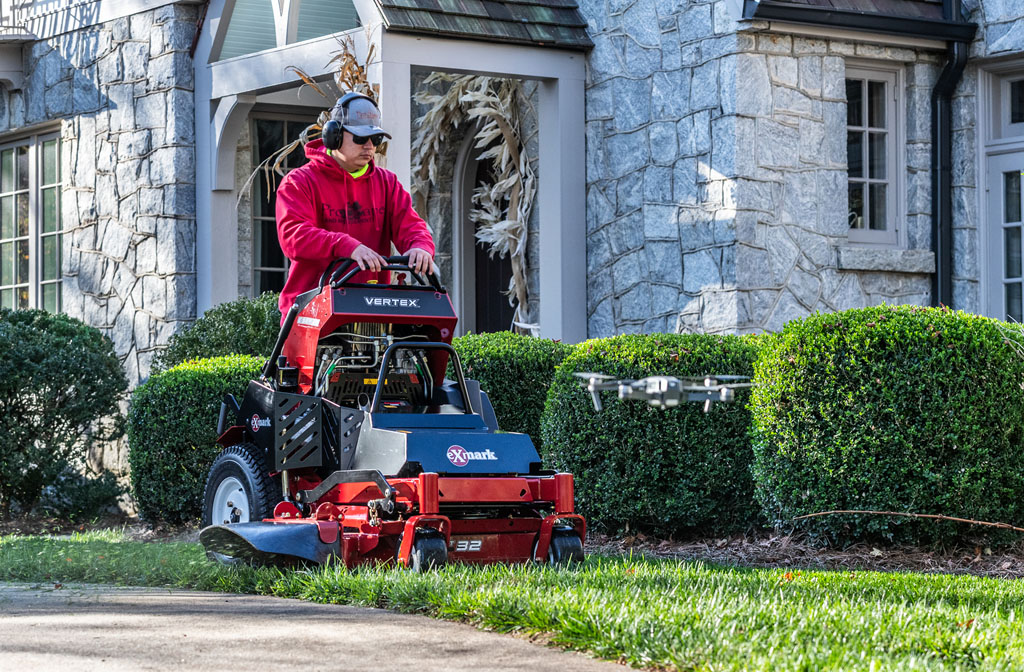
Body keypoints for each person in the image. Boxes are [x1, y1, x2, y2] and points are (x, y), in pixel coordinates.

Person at [275, 92, 435, 318]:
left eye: (375, 139)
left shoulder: (387, 183)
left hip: (372, 307)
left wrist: (420, 246)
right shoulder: (299, 182)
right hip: (310, 311)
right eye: (360, 138)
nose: (369, 146)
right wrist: (346, 246)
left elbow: (411, 225)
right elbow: (293, 237)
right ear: (334, 136)